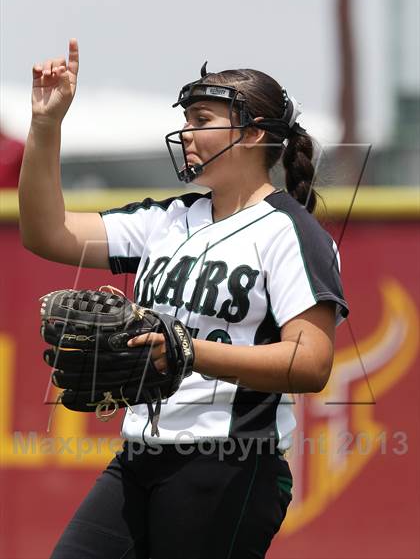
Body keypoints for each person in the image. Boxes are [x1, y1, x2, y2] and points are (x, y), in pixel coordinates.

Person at [19, 38, 349, 559]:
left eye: (202, 118)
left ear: (254, 132)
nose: (187, 133)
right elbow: (46, 231)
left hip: (231, 463)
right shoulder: (167, 220)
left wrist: (189, 349)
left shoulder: (292, 233)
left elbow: (311, 363)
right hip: (139, 456)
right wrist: (45, 126)